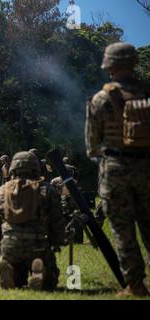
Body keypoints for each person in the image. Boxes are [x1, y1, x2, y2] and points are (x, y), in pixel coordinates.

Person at [85, 42, 150, 297]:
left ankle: (135, 285)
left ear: (109, 65)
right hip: (148, 168)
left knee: (123, 231)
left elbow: (92, 146)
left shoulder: (101, 100)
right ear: (134, 62)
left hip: (115, 170)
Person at [0, 151, 66, 290]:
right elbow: (57, 220)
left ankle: (9, 267)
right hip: (38, 245)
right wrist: (56, 242)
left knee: (17, 281)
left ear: (13, 169)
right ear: (36, 168)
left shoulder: (2, 191)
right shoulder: (47, 190)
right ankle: (40, 271)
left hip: (10, 246)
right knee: (50, 283)